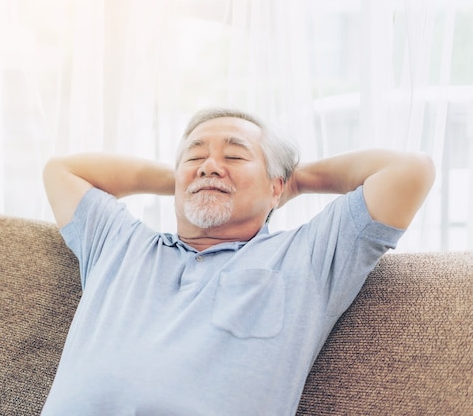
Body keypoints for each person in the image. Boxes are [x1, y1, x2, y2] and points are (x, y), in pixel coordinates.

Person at [39, 108, 435, 416]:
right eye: (195, 154)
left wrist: (294, 181)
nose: (210, 163)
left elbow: (410, 170)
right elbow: (62, 170)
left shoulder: (308, 257)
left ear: (277, 186)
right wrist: (193, 178)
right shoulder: (118, 243)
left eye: (234, 154)